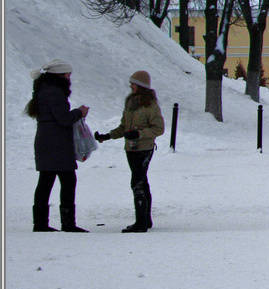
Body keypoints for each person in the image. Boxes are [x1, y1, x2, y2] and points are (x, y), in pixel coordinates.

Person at [95, 70, 166, 233]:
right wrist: (108, 136)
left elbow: (159, 128)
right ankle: (145, 220)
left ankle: (141, 223)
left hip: (144, 148)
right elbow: (123, 127)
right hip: (131, 149)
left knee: (137, 182)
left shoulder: (151, 105)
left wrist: (140, 134)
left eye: (133, 83)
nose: (131, 86)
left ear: (141, 86)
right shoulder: (130, 103)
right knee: (141, 181)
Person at [26, 60, 90, 232]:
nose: (69, 77)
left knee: (46, 181)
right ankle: (68, 223)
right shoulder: (54, 92)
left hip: (46, 141)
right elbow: (63, 118)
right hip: (57, 144)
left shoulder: (43, 89)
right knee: (68, 181)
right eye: (67, 74)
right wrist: (79, 112)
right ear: (60, 76)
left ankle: (40, 223)